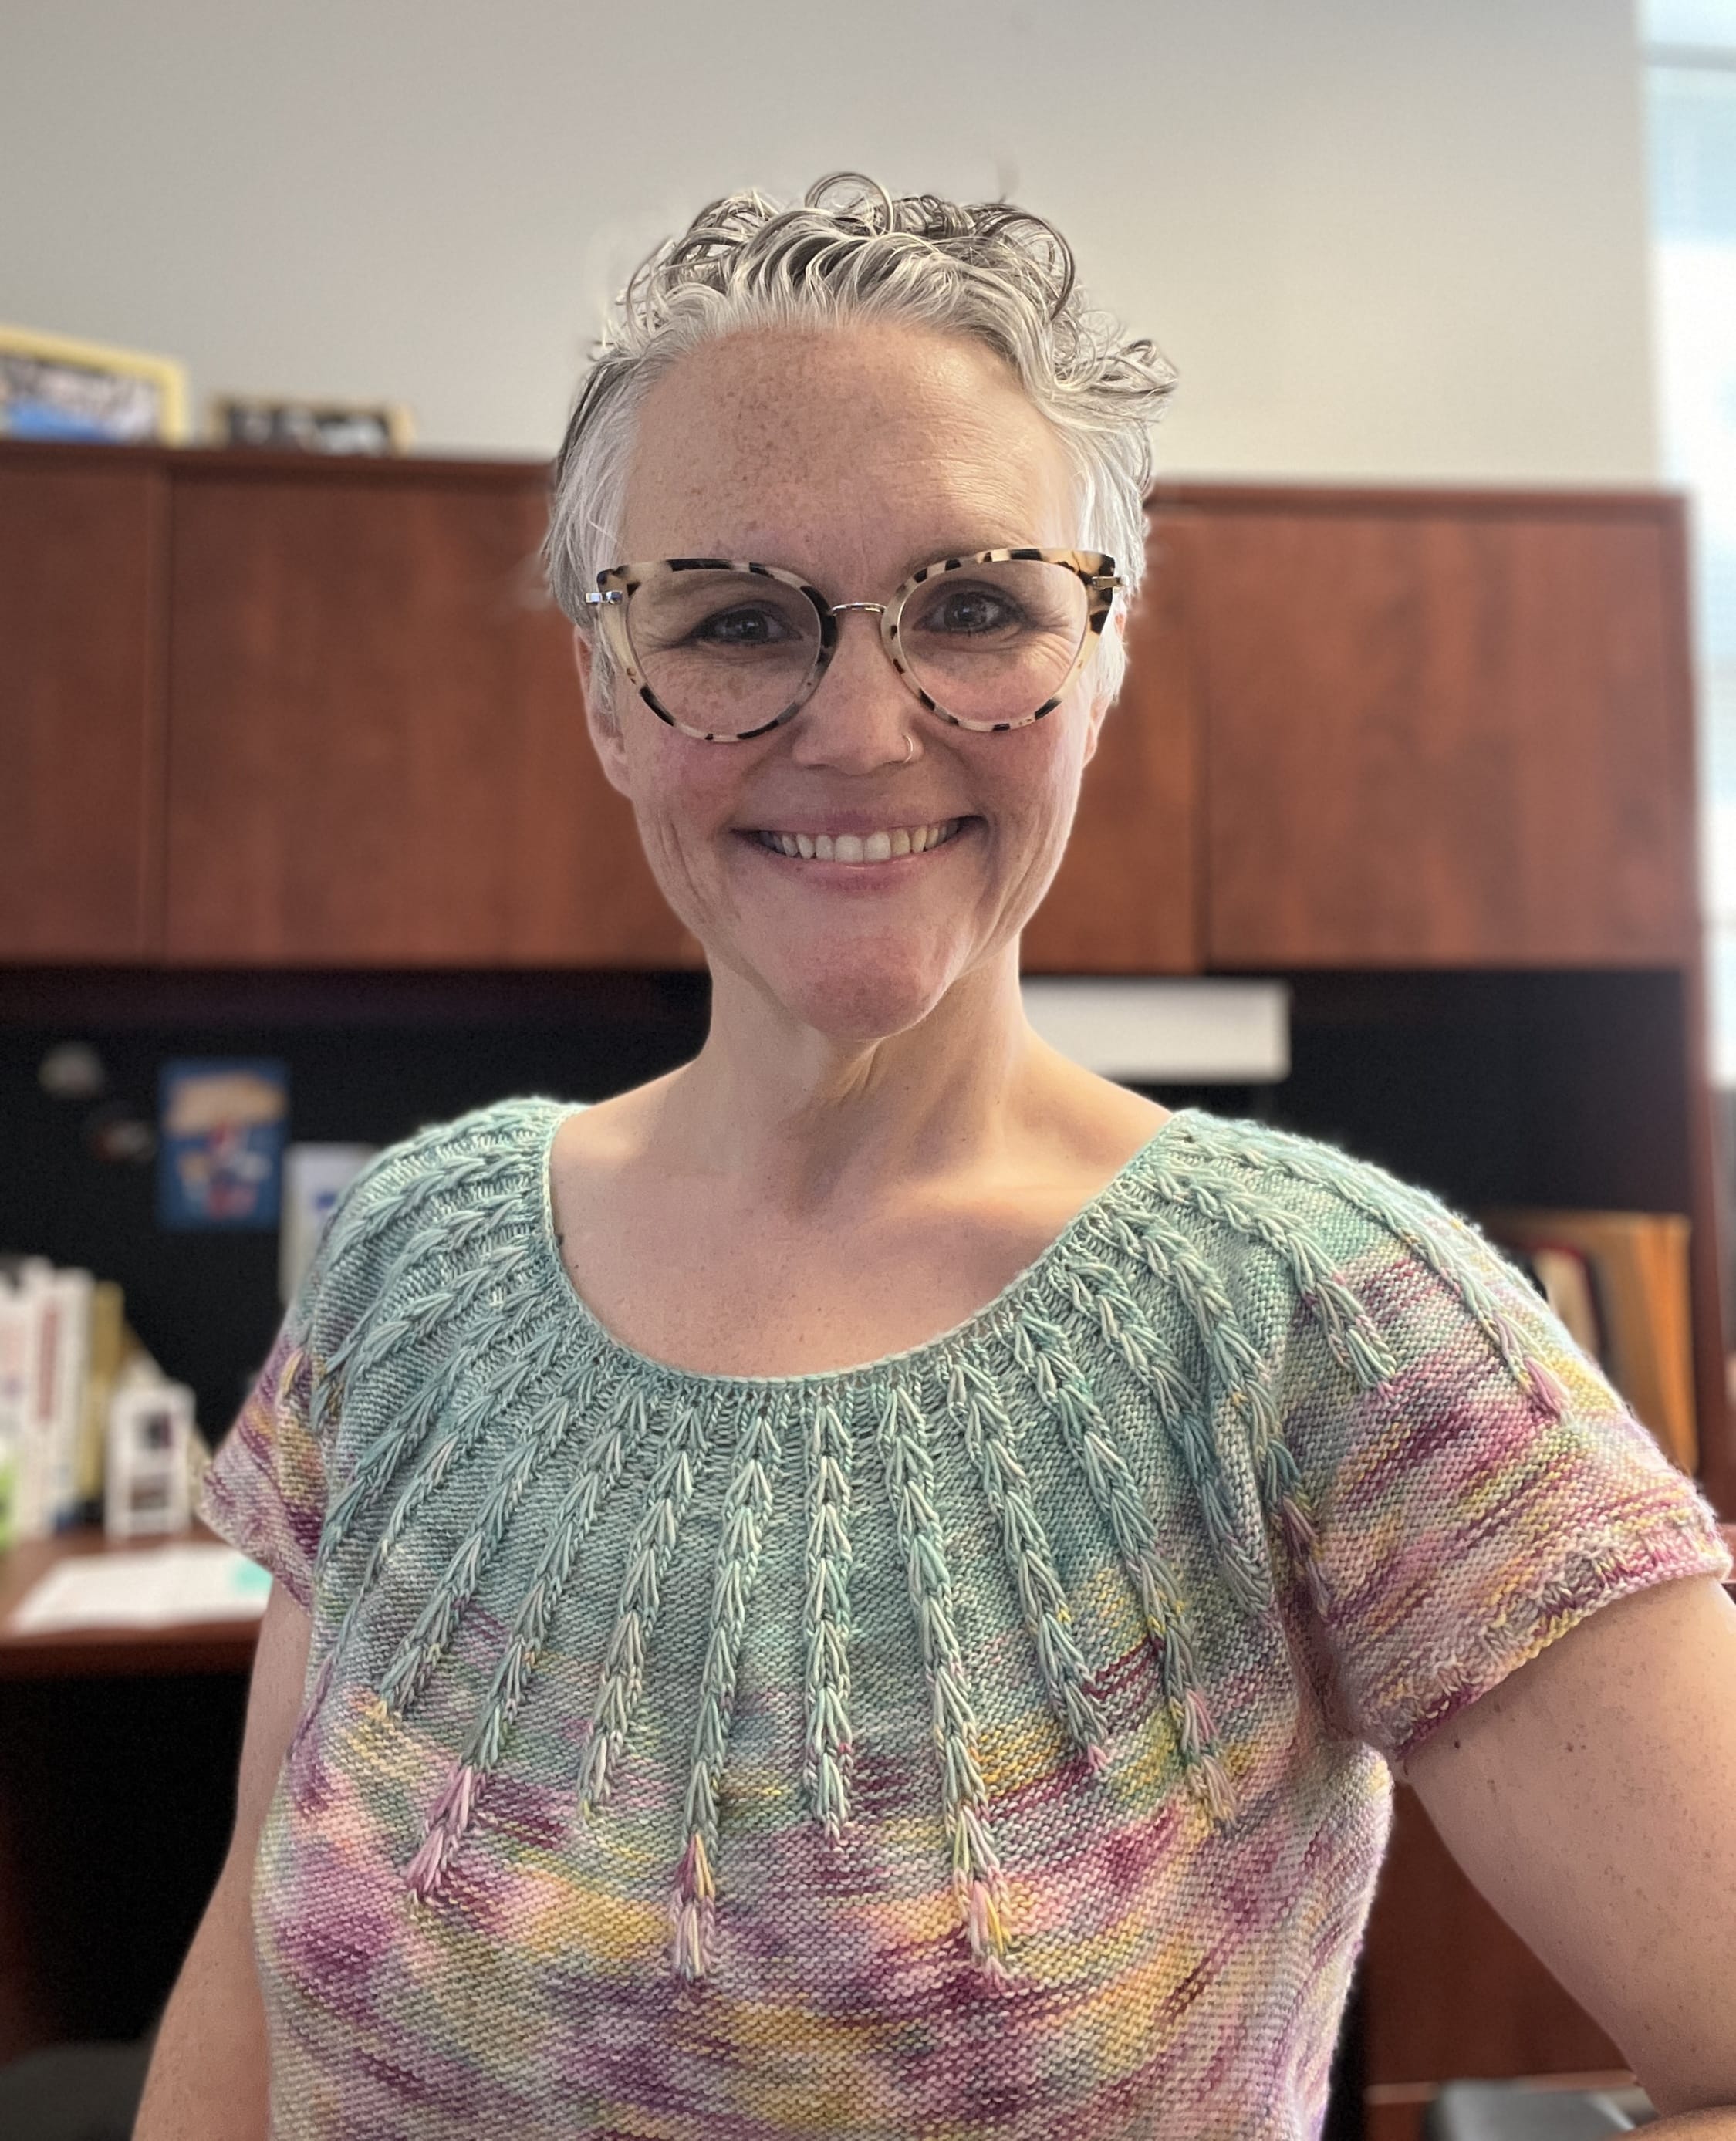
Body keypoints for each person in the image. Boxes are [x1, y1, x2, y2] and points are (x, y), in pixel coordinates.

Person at [136, 175, 1736, 2140]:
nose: (863, 725)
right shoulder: (415, 1261)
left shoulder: (1322, 1323)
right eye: (734, 621)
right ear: (608, 697)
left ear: (1099, 664)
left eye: (974, 606)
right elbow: (253, 1952)